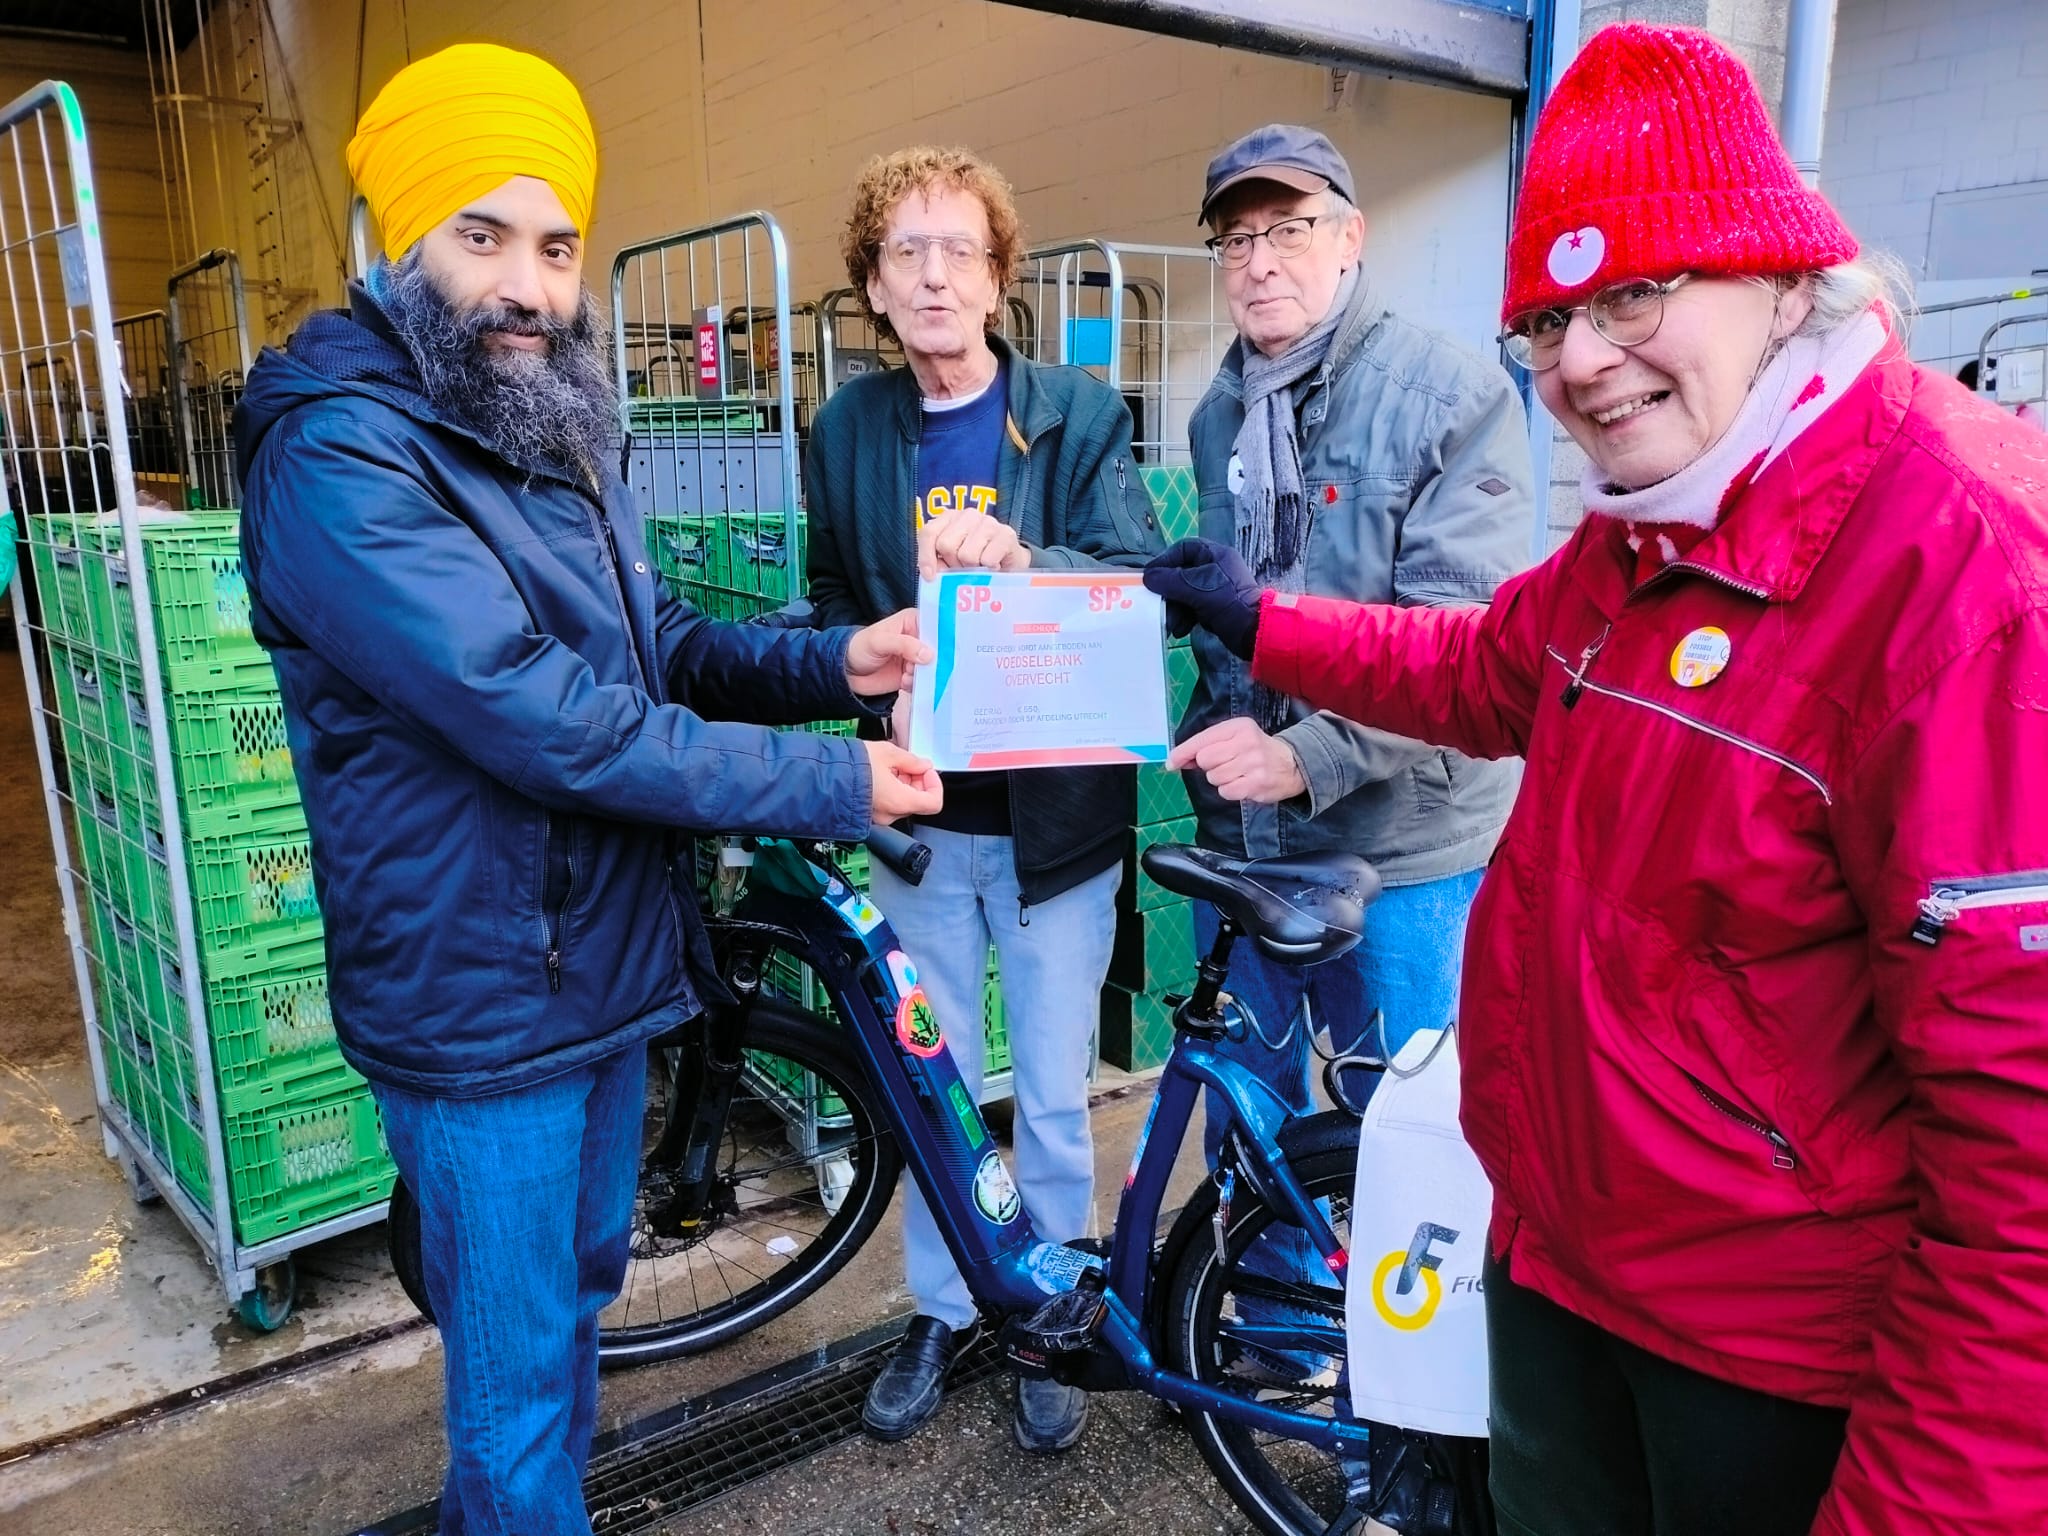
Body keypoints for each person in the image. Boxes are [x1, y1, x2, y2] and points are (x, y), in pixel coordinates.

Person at [1147, 24, 2048, 1536]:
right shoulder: (1648, 525)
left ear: (1774, 272)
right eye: (1551, 316)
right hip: (1562, 1261)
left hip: (1767, 1363)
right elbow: (1477, 668)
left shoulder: (1965, 571)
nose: (1579, 360)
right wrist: (1265, 620)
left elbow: (2026, 1169)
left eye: (1635, 291)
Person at [233, 45, 942, 1536]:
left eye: (555, 248)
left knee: (566, 1317)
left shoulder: (543, 423)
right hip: (480, 1001)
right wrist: (828, 779)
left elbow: (657, 648)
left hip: (603, 965)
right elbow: (542, 717)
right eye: (480, 237)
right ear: (397, 249)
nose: (529, 288)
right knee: (509, 1391)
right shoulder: (341, 456)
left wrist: (839, 664)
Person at [804, 145, 1162, 1453]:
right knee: (934, 1091)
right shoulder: (844, 431)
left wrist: (1023, 557)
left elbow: (1138, 578)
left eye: (963, 250)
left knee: (1057, 1094)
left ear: (1002, 278)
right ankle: (946, 1305)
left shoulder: (1075, 412)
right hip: (924, 828)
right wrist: (873, 666)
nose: (938, 274)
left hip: (1055, 831)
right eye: (909, 252)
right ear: (874, 288)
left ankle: (1053, 1304)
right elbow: (831, 602)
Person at [1164, 123, 1531, 1376]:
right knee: (1253, 1108)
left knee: (1408, 1121)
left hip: (1402, 848)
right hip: (1254, 839)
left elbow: (1459, 634)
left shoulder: (1447, 391)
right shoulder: (1220, 404)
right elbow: (1236, 611)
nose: (1258, 261)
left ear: (1348, 238)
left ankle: (1415, 1380)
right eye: (1235, 238)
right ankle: (1270, 1339)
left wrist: (1308, 755)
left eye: (1287, 228)